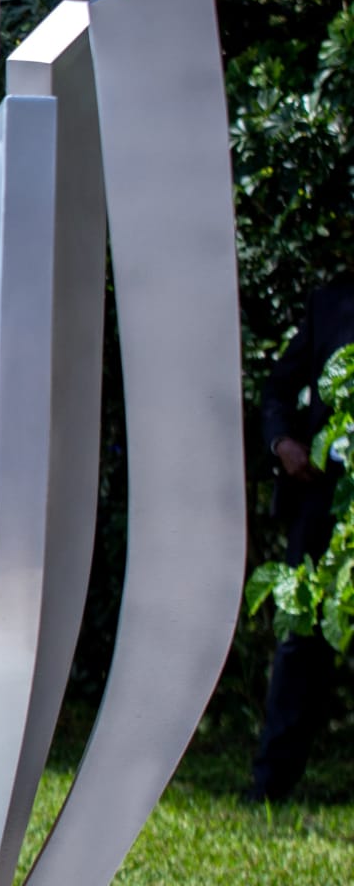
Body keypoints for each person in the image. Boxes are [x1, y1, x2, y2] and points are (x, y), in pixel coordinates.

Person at [247, 271, 354, 803]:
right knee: (300, 639)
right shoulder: (330, 301)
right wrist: (283, 442)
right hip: (321, 498)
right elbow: (278, 390)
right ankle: (271, 783)